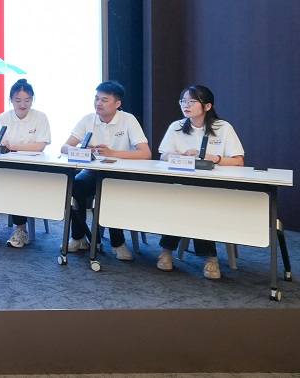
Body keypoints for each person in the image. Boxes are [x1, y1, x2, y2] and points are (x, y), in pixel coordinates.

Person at [155, 85, 244, 279]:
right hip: (182, 184)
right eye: (183, 101)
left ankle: (170, 250)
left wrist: (212, 157)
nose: (185, 105)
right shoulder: (177, 126)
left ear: (207, 106)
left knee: (197, 200)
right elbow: (162, 156)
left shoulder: (223, 128)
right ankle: (207, 257)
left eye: (191, 101)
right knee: (187, 199)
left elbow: (238, 161)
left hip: (214, 187)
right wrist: (176, 155)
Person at [60, 80, 151, 260]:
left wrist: (113, 153)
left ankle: (118, 243)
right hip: (93, 171)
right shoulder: (88, 119)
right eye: (96, 98)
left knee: (108, 195)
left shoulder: (128, 120)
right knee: (74, 188)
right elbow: (64, 147)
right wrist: (82, 151)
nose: (98, 103)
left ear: (117, 104)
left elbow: (145, 153)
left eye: (104, 100)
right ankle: (78, 238)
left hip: (120, 173)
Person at [0, 78, 52, 248]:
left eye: (27, 100)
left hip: (31, 167)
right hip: (6, 165)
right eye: (18, 100)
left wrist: (13, 147)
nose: (22, 104)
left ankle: (21, 230)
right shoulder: (3, 118)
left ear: (32, 99)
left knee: (18, 182)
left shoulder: (40, 117)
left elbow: (40, 146)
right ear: (11, 100)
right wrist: (0, 144)